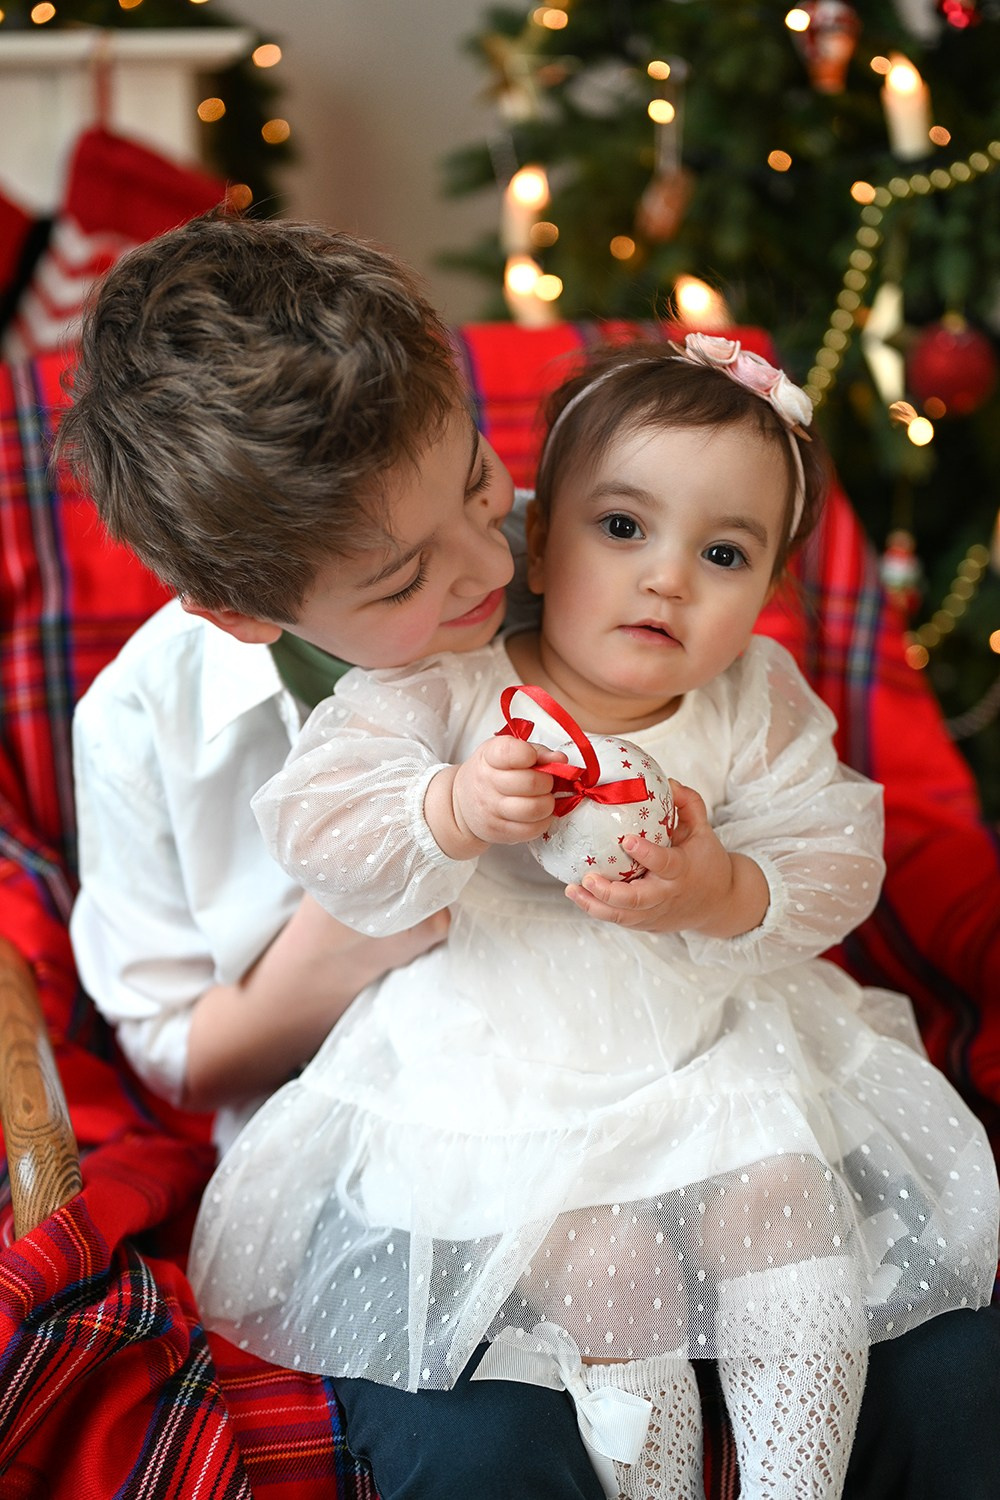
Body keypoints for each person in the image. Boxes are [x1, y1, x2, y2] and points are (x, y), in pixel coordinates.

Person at [59, 212, 1000, 1500]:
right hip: (446, 1122)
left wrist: (715, 877)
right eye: (400, 581)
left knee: (947, 1368)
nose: (486, 565)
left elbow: (817, 824)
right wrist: (412, 883)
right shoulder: (150, 722)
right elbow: (177, 1052)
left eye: (478, 484)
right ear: (240, 610)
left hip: (703, 1058)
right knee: (504, 1448)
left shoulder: (610, 566)